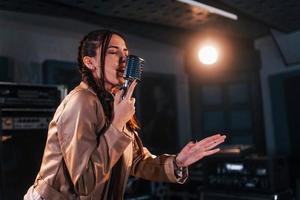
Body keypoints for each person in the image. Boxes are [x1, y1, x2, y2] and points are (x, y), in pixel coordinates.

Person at [24, 29, 226, 200]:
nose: (123, 59)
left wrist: (178, 162)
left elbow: (137, 161)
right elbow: (84, 182)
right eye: (113, 52)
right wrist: (118, 123)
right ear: (90, 62)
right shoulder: (81, 102)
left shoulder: (114, 103)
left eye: (125, 53)